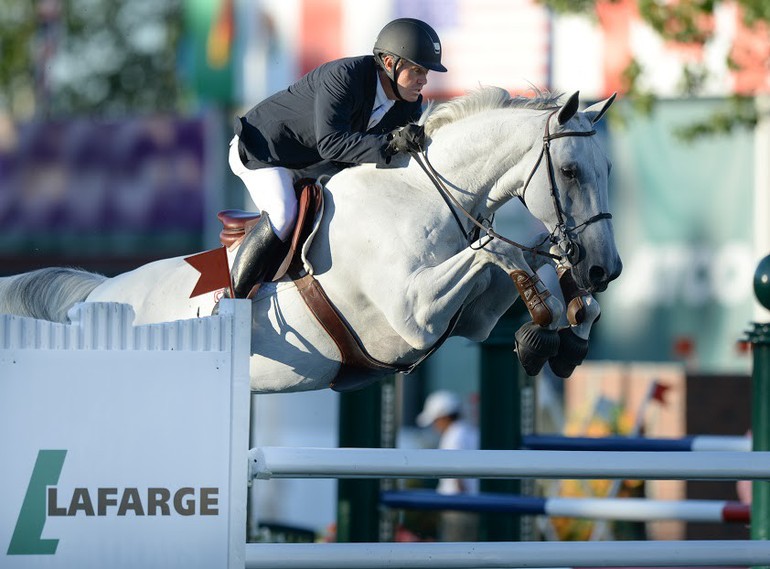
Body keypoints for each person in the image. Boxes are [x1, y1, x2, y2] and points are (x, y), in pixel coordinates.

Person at [226, 18, 447, 299]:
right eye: (417, 70)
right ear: (390, 63)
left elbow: (385, 155)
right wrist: (391, 144)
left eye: (425, 72)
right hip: (264, 151)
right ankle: (232, 302)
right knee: (284, 214)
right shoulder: (345, 77)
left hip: (312, 163)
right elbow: (332, 143)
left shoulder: (409, 103)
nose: (423, 80)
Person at [416, 390, 480, 541]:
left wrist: (459, 501)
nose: (435, 426)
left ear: (444, 416)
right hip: (468, 504)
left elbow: (457, 473)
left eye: (435, 421)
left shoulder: (453, 435)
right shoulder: (468, 431)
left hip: (457, 507)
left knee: (455, 552)